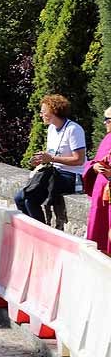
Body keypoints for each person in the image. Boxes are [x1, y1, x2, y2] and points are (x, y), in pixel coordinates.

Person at [14, 94, 86, 223]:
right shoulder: (52, 129)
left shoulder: (73, 129)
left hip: (71, 176)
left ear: (54, 112)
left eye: (43, 112)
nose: (41, 115)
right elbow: (52, 154)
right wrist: (41, 159)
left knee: (30, 199)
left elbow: (79, 160)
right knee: (20, 198)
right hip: (54, 172)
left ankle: (40, 232)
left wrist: (51, 158)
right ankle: (32, 229)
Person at [82, 105, 111, 253]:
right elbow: (96, 161)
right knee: (100, 231)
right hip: (102, 195)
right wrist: (94, 168)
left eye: (107, 120)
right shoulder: (107, 139)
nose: (105, 123)